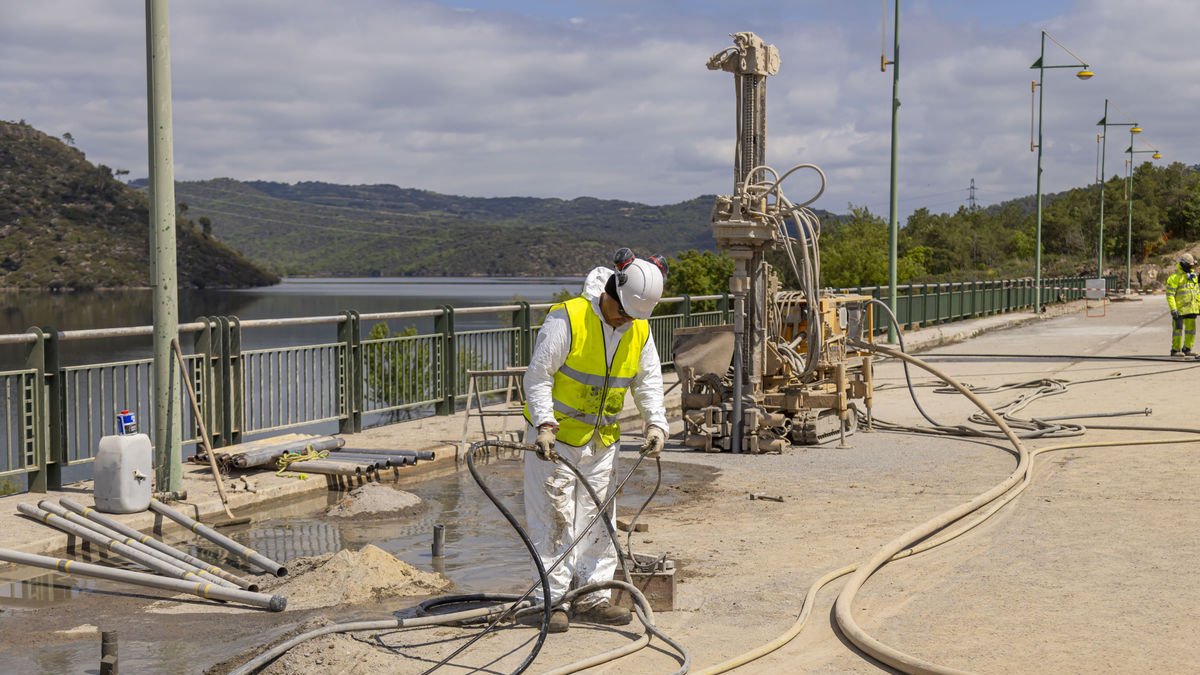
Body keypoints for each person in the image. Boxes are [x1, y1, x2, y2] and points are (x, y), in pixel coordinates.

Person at [521, 250, 670, 633]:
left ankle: (591, 596)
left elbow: (648, 379)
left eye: (633, 317)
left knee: (599, 520)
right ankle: (550, 601)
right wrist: (544, 424)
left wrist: (657, 423)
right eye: (621, 313)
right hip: (555, 440)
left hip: (602, 440)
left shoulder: (637, 327)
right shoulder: (567, 318)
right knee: (555, 520)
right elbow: (539, 377)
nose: (625, 321)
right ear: (610, 290)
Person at [1165, 252, 1200, 356]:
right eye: (1190, 265)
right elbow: (1170, 295)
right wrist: (1173, 309)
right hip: (1179, 310)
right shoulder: (1174, 278)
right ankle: (1175, 350)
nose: (1191, 267)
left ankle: (1187, 349)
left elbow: (1196, 292)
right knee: (1178, 330)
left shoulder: (1193, 276)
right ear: (1184, 264)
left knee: (1191, 330)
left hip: (1192, 309)